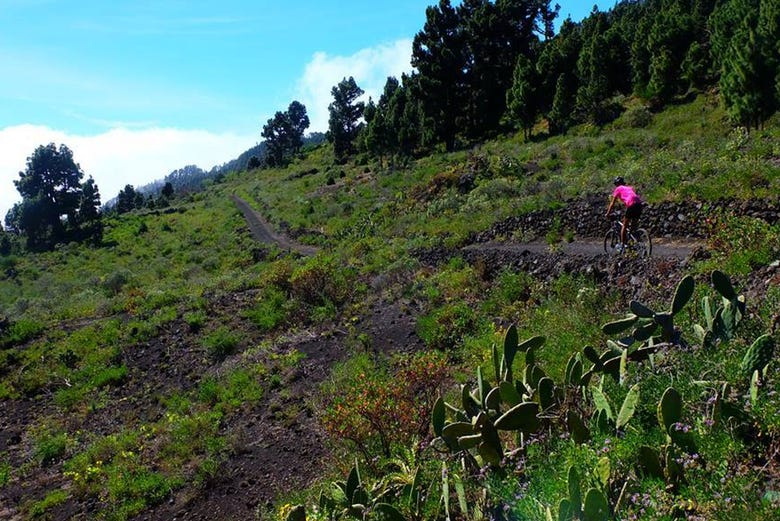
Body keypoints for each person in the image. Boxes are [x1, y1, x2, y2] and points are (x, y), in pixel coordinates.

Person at [605, 176, 643, 248]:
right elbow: (631, 197)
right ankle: (636, 242)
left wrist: (608, 213)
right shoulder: (629, 188)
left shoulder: (618, 189)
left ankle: (622, 244)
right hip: (639, 204)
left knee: (624, 225)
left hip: (631, 204)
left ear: (616, 184)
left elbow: (612, 203)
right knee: (633, 227)